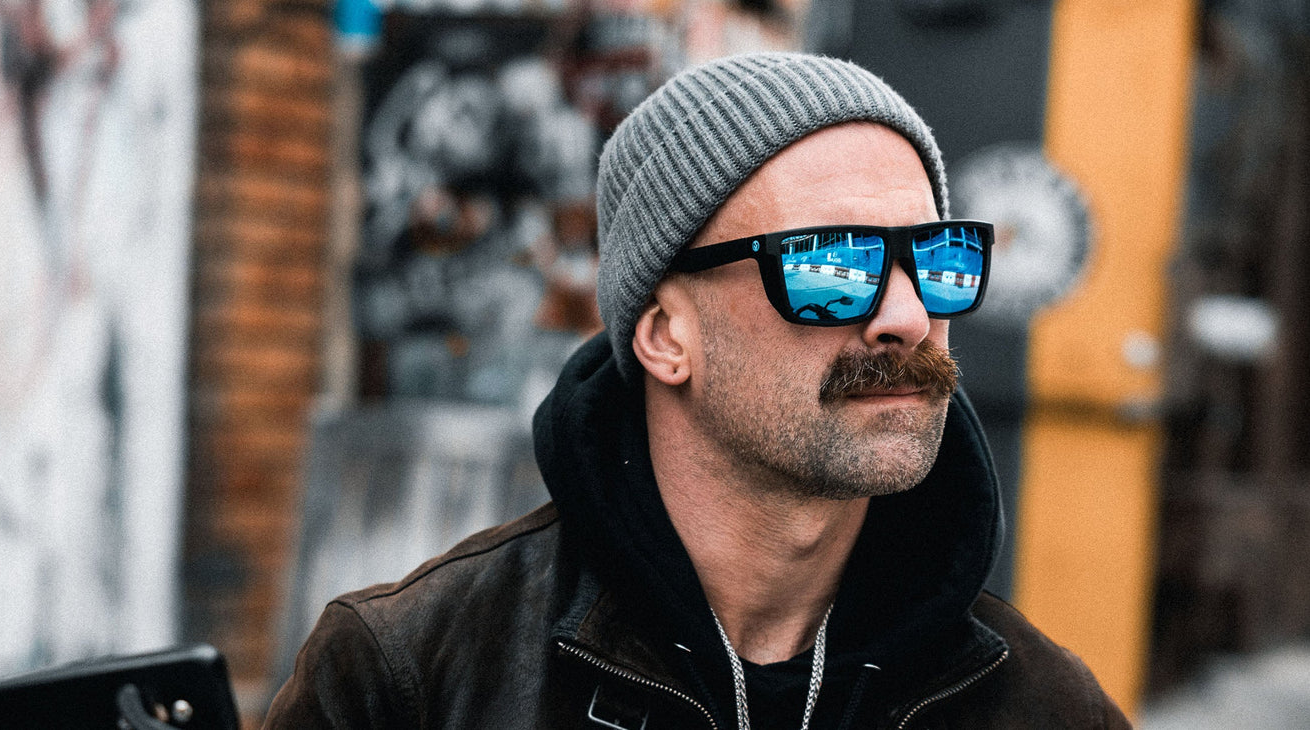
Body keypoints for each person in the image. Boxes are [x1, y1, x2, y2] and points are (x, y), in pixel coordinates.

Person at [265, 52, 1129, 729]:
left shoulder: (1043, 707)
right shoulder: (411, 679)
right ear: (665, 335)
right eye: (831, 263)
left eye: (938, 261)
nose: (905, 315)